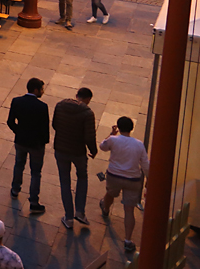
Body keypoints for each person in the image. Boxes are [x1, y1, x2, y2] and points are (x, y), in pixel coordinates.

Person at [99, 116, 149, 253]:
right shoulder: (138, 144)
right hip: (133, 179)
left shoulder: (114, 140)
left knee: (110, 193)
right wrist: (149, 179)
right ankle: (127, 240)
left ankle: (105, 208)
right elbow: (145, 164)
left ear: (118, 127)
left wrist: (111, 134)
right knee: (129, 210)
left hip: (114, 175)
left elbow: (102, 146)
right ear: (131, 128)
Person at [52, 87, 97, 229]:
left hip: (61, 149)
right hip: (78, 152)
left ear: (76, 95)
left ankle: (69, 217)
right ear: (88, 99)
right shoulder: (87, 113)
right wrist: (93, 150)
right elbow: (89, 136)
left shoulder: (60, 106)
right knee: (82, 177)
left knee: (65, 181)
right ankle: (80, 212)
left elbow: (54, 125)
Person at [7, 78, 49, 214]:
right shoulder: (42, 107)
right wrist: (44, 141)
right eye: (42, 89)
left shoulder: (17, 101)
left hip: (21, 141)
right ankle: (33, 201)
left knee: (19, 164)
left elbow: (10, 121)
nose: (43, 91)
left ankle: (15, 189)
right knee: (36, 172)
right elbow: (45, 128)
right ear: (36, 90)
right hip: (36, 144)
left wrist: (18, 131)